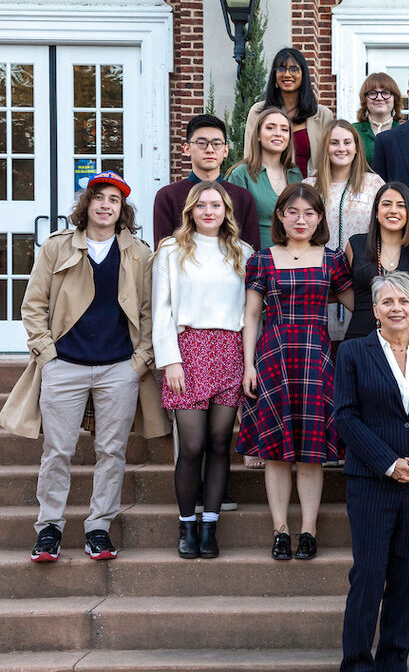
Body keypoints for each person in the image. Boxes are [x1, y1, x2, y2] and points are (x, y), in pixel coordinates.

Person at [0, 171, 169, 562]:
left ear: (122, 208)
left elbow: (148, 313)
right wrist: (47, 354)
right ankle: (49, 530)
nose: (107, 205)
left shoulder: (138, 253)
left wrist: (140, 362)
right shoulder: (58, 247)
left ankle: (98, 528)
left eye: (115, 199)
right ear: (86, 204)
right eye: (100, 197)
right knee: (58, 449)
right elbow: (33, 304)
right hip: (65, 365)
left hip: (119, 368)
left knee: (112, 450)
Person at [334, 272, 409, 672]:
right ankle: (356, 664)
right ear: (376, 310)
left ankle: (393, 661)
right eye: (388, 302)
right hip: (371, 483)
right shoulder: (353, 352)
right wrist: (389, 463)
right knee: (368, 577)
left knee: (406, 578)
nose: (397, 308)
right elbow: (346, 418)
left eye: (404, 301)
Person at [234, 183, 353, 561]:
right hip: (273, 357)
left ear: (319, 218)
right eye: (293, 212)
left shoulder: (332, 259)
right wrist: (248, 364)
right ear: (281, 217)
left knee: (311, 454)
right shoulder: (262, 259)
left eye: (309, 213)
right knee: (276, 453)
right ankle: (280, 530)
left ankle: (309, 530)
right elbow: (252, 314)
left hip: (317, 359)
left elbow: (359, 308)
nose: (301, 220)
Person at [152, 181, 253, 559]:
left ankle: (210, 526)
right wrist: (171, 360)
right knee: (192, 445)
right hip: (188, 351)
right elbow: (161, 308)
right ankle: (187, 523)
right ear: (190, 211)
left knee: (218, 442)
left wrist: (247, 363)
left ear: (227, 211)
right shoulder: (171, 251)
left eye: (216, 205)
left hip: (229, 349)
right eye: (201, 206)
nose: (209, 211)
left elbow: (248, 314)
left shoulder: (242, 253)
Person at [304, 120, 385, 341]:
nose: (341, 148)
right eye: (334, 143)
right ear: (325, 148)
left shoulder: (373, 183)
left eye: (347, 142)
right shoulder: (309, 186)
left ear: (357, 147)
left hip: (361, 280)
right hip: (319, 280)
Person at [154, 114, 260, 250]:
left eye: (216, 144)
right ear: (187, 149)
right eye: (202, 143)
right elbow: (163, 253)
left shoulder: (243, 198)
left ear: (225, 150)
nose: (210, 150)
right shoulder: (168, 197)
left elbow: (252, 255)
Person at [343, 182, 409, 341]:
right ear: (376, 211)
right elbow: (339, 287)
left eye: (401, 205)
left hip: (404, 340)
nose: (393, 210)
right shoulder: (356, 245)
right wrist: (362, 310)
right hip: (361, 336)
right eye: (386, 204)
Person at [245, 47, 335, 178]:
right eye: (281, 69)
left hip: (311, 190)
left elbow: (328, 161)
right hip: (268, 188)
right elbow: (249, 155)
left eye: (294, 69)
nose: (287, 74)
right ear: (274, 75)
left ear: (303, 74)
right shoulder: (258, 111)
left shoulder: (322, 115)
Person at [228, 107, 304, 247]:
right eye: (270, 128)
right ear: (258, 135)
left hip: (294, 257)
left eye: (284, 129)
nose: (278, 134)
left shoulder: (295, 174)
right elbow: (232, 227)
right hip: (256, 257)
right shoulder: (241, 174)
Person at [352, 72, 404, 164]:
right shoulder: (353, 131)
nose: (379, 98)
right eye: (372, 93)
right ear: (365, 99)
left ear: (394, 98)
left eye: (385, 93)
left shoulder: (405, 132)